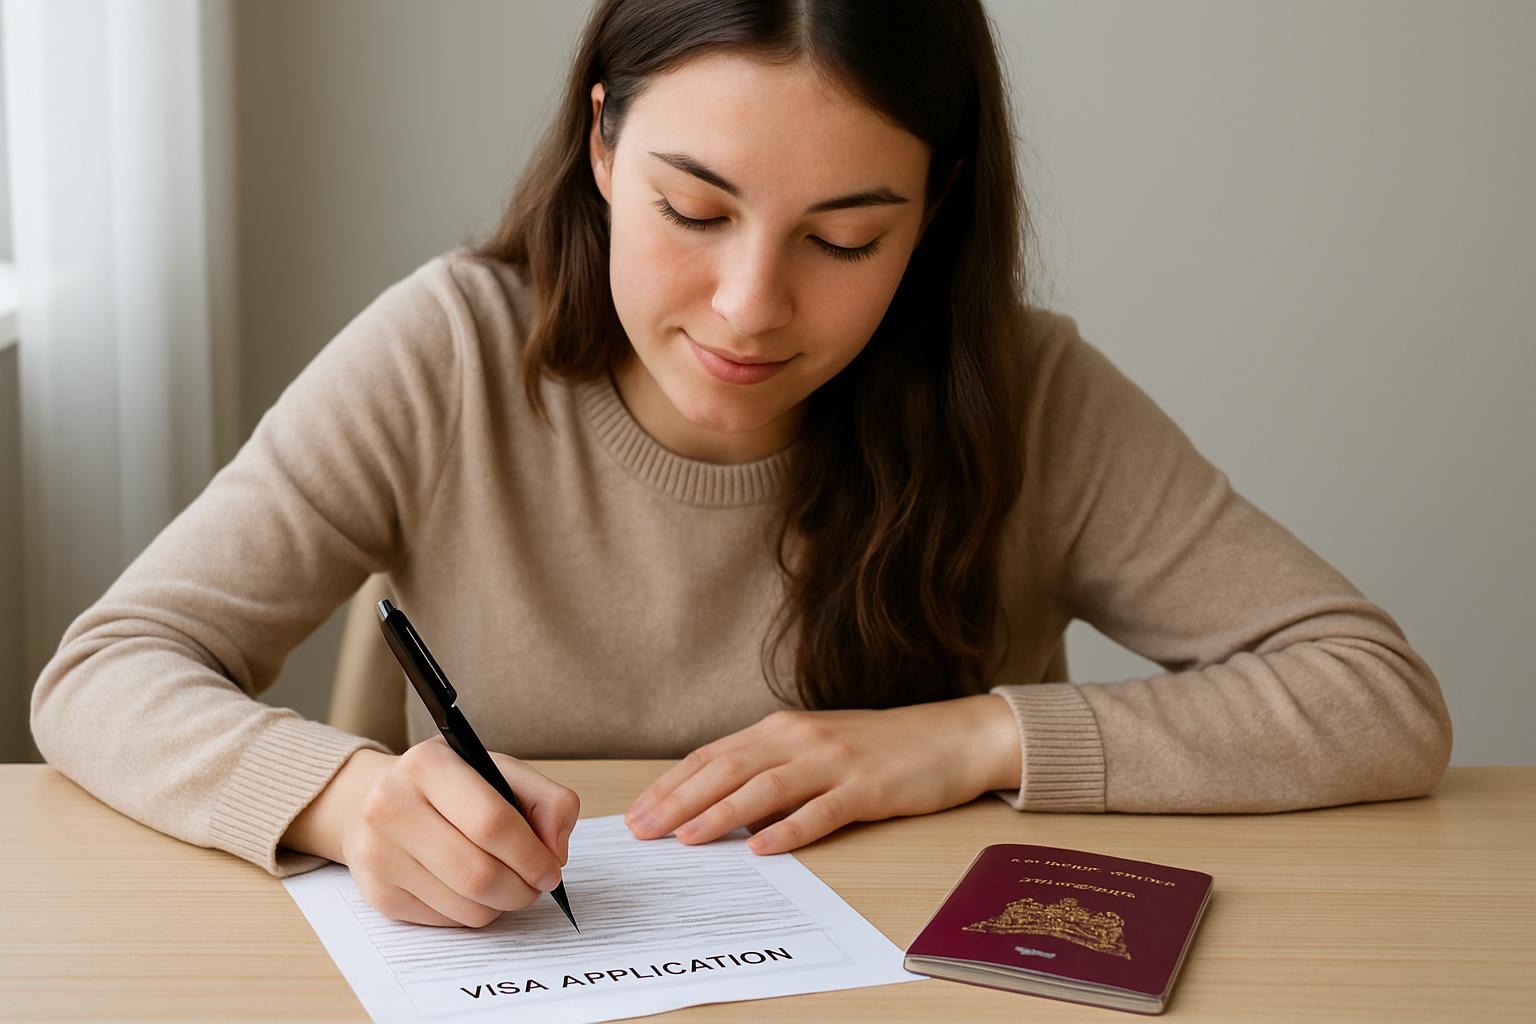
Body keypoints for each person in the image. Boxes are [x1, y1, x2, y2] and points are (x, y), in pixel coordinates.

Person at [30, 0, 1452, 931]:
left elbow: (1374, 698)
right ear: (601, 141)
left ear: (934, 209)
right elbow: (106, 669)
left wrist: (964, 737)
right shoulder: (450, 349)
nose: (749, 306)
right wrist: (348, 799)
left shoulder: (1026, 393)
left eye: (846, 240)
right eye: (693, 209)